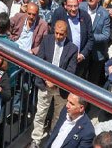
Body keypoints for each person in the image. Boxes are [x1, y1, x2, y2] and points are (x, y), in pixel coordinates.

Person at [33, 20, 79, 148]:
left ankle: (53, 138)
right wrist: (47, 79)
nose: (58, 37)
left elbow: (70, 71)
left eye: (61, 34)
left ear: (66, 33)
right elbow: (40, 62)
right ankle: (36, 140)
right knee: (40, 113)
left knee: (58, 115)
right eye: (56, 33)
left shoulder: (72, 48)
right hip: (44, 84)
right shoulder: (46, 40)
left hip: (61, 88)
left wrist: (56, 82)